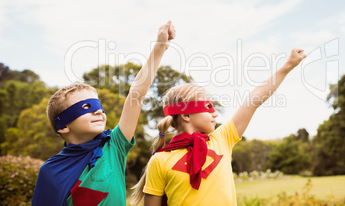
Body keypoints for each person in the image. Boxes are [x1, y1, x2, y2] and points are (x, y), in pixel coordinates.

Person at [131, 48, 307, 205]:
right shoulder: (160, 160)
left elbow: (253, 101)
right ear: (186, 115)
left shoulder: (222, 139)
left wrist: (287, 66)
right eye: (208, 107)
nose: (215, 113)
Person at [32, 21, 176, 206]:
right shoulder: (50, 171)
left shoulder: (114, 145)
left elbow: (136, 95)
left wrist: (160, 48)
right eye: (86, 107)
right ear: (64, 125)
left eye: (99, 106)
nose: (98, 111)